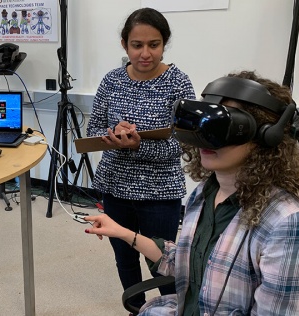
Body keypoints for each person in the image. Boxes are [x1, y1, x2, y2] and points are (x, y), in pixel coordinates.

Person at [84, 70, 299, 315]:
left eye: (223, 128)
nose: (206, 139)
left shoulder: (289, 223)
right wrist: (122, 232)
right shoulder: (204, 194)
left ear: (266, 136)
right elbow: (189, 263)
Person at [86, 7, 196, 309]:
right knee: (124, 257)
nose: (145, 53)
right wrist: (112, 133)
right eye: (137, 45)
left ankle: (173, 310)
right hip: (114, 187)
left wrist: (138, 145)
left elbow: (185, 144)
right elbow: (93, 129)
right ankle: (136, 309)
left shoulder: (178, 82)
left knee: (163, 261)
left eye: (154, 44)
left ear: (164, 44)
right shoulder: (111, 80)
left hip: (159, 193)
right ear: (125, 45)